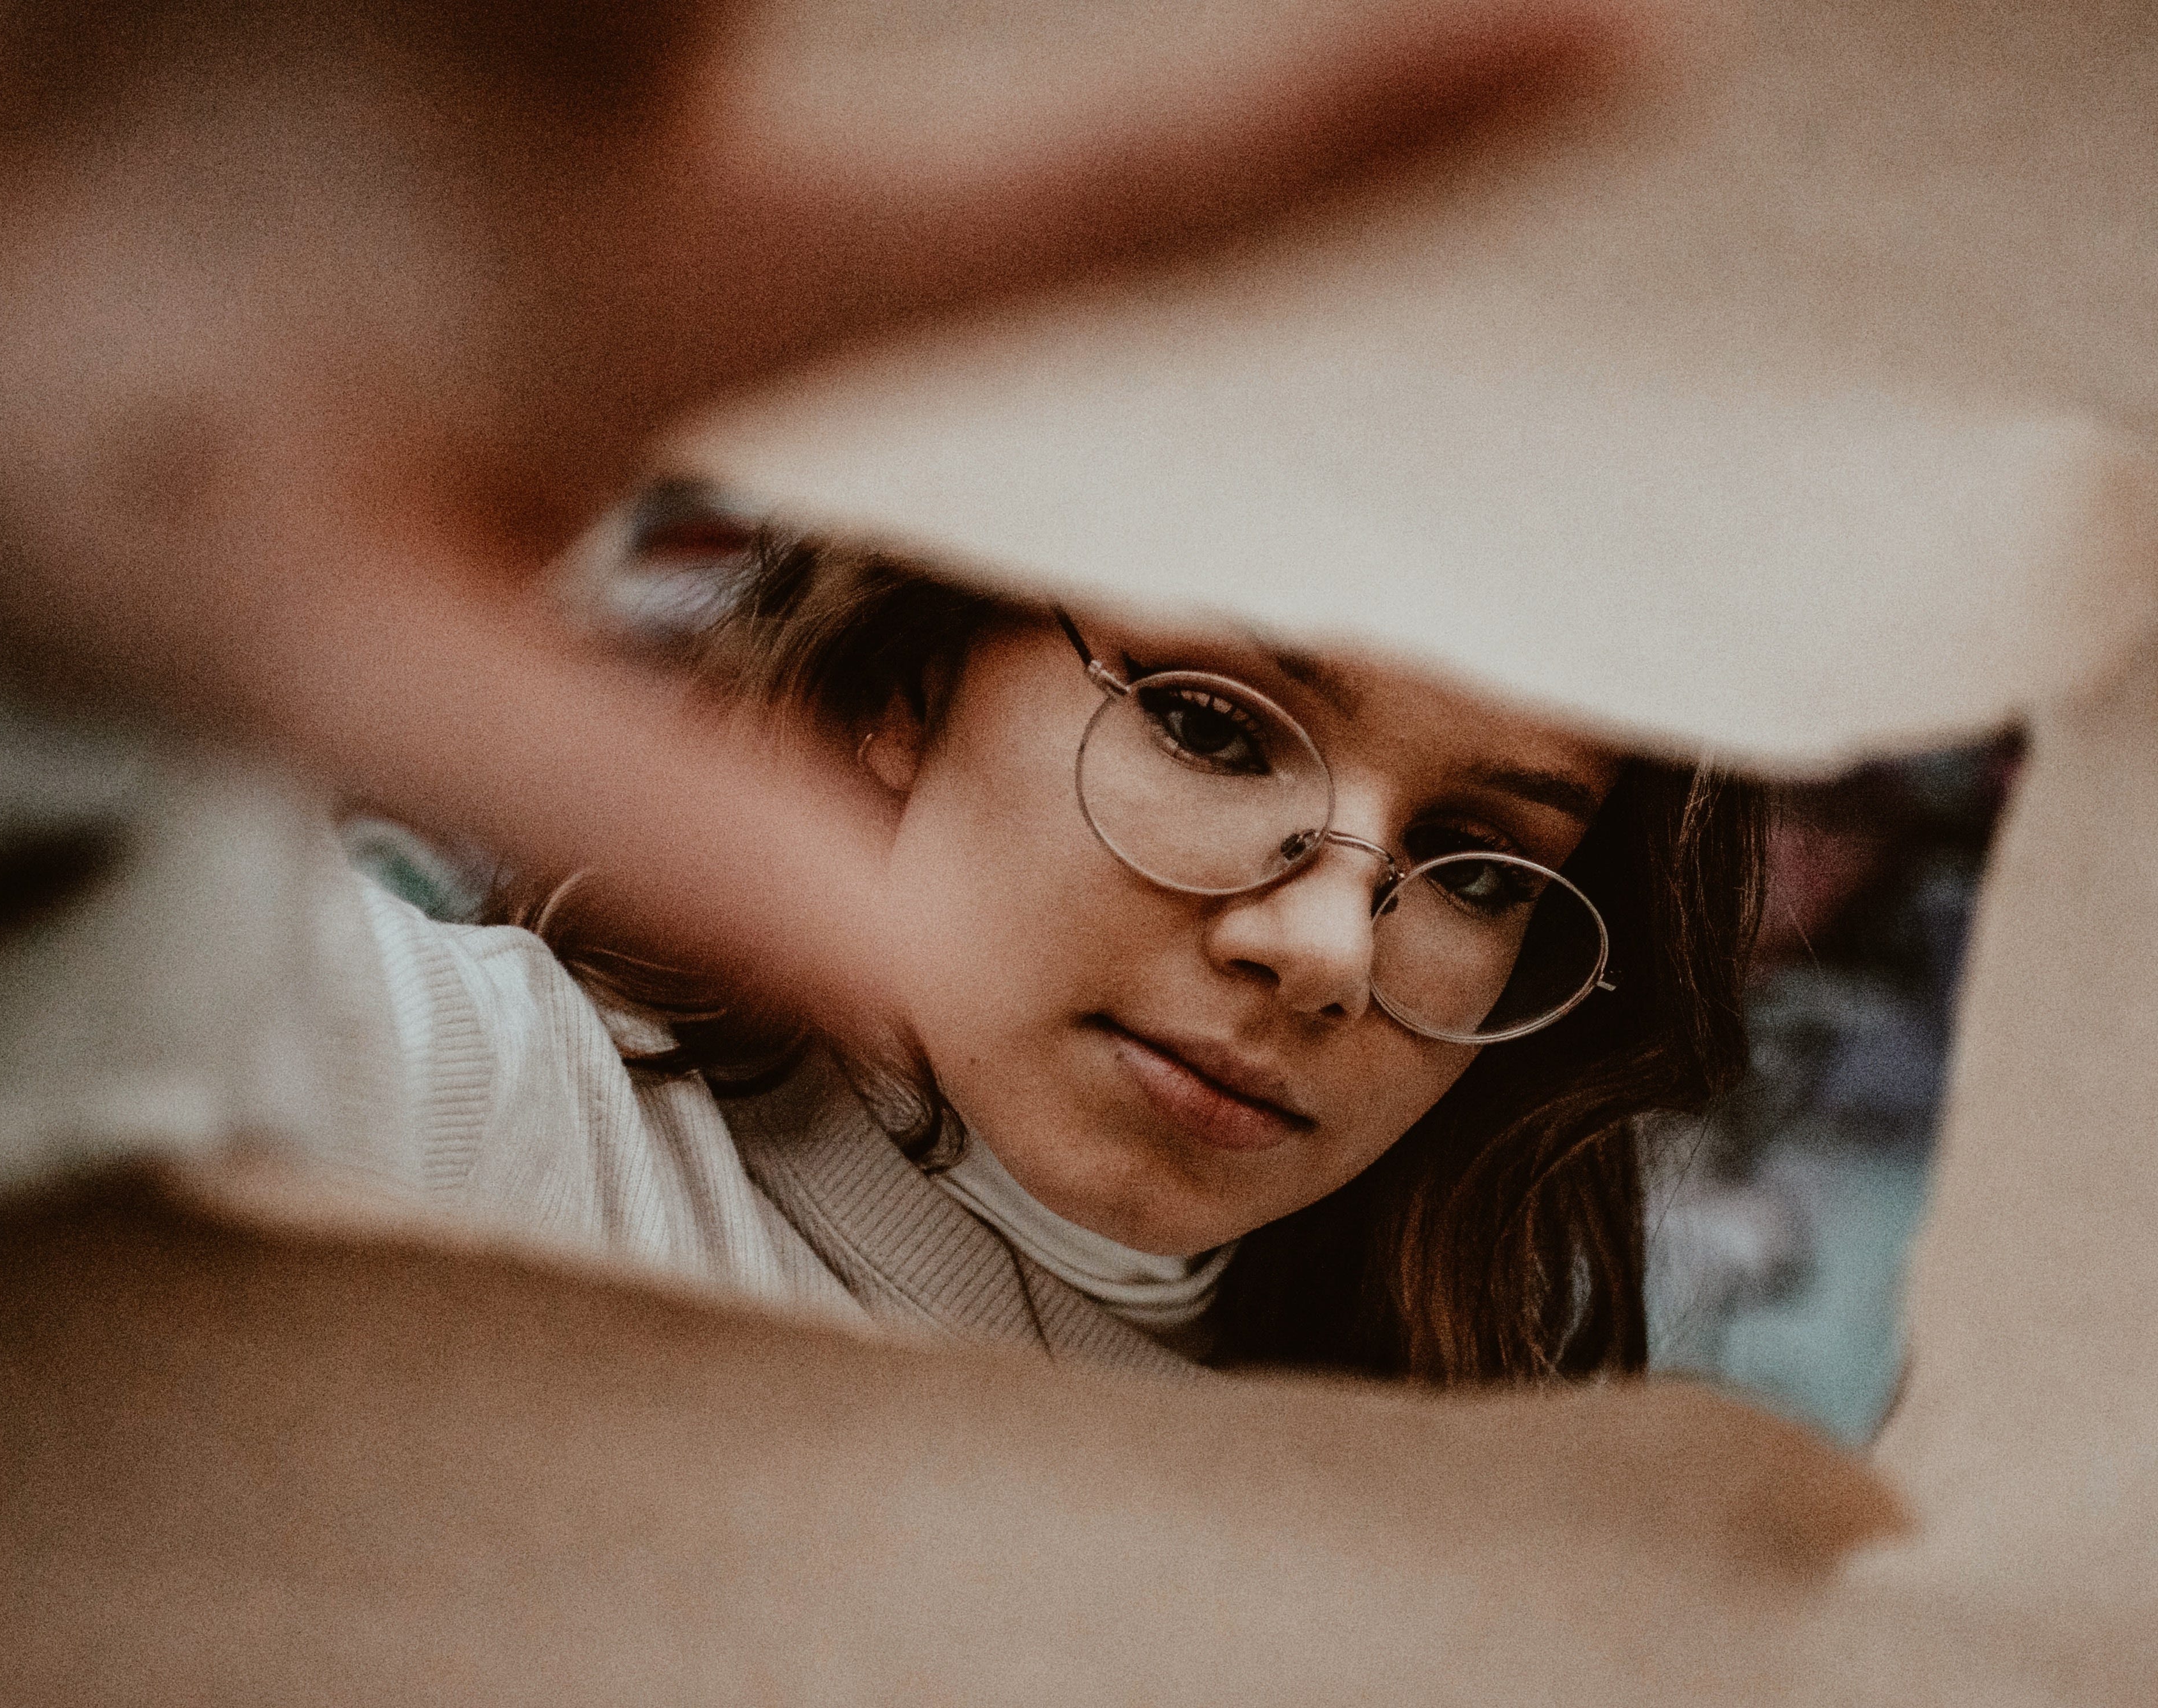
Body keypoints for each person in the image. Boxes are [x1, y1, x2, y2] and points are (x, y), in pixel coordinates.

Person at [364, 527, 1764, 1380]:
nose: (1326, 949)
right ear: (915, 681)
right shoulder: (452, 1117)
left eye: (1476, 867)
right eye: (1210, 727)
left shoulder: (1448, 1541)